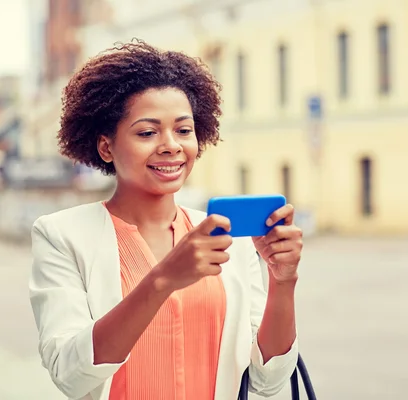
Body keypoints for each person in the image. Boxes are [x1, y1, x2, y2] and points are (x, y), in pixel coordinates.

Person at [29, 40, 303, 400]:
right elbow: (70, 374)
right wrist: (162, 279)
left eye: (183, 130)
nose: (171, 145)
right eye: (147, 132)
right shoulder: (62, 235)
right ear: (106, 147)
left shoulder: (228, 240)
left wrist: (283, 282)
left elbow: (267, 382)